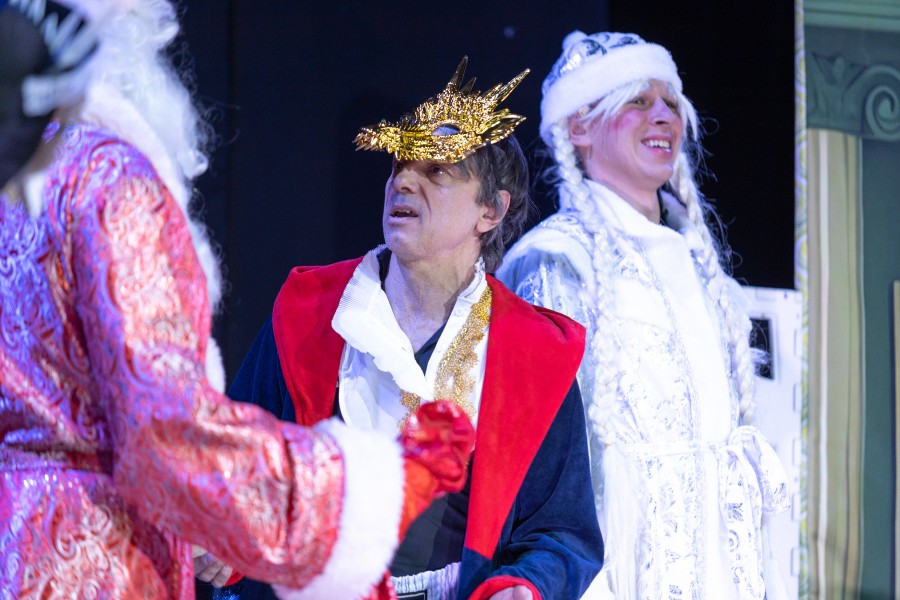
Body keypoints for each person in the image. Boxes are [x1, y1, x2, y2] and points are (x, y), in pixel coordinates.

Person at [0, 1, 475, 598]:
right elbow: (164, 431)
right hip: (89, 557)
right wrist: (364, 493)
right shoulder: (106, 180)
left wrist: (219, 530)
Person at [217, 57, 603, 600]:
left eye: (437, 171)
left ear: (491, 211)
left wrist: (524, 586)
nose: (403, 181)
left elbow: (561, 531)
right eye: (400, 165)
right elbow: (236, 462)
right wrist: (223, 534)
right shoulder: (309, 314)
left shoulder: (535, 352)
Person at [496, 31, 791, 600]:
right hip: (622, 565)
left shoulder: (699, 263)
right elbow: (542, 456)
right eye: (637, 100)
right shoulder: (558, 261)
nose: (663, 116)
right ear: (579, 128)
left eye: (671, 103)